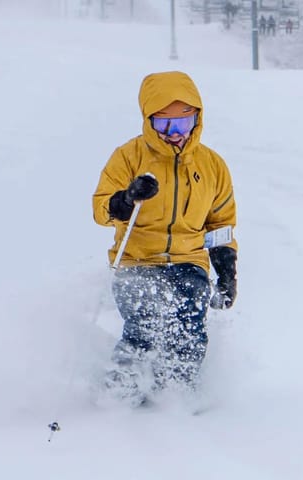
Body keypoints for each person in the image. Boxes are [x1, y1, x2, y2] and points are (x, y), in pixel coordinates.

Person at [92, 71, 238, 406]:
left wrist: (227, 272)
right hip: (137, 261)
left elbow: (221, 222)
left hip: (189, 262)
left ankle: (175, 394)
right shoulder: (129, 157)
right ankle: (118, 396)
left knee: (189, 322)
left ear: (197, 120)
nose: (174, 135)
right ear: (148, 120)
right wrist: (126, 199)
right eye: (164, 125)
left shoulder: (212, 165)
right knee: (145, 323)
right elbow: (101, 209)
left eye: (183, 125)